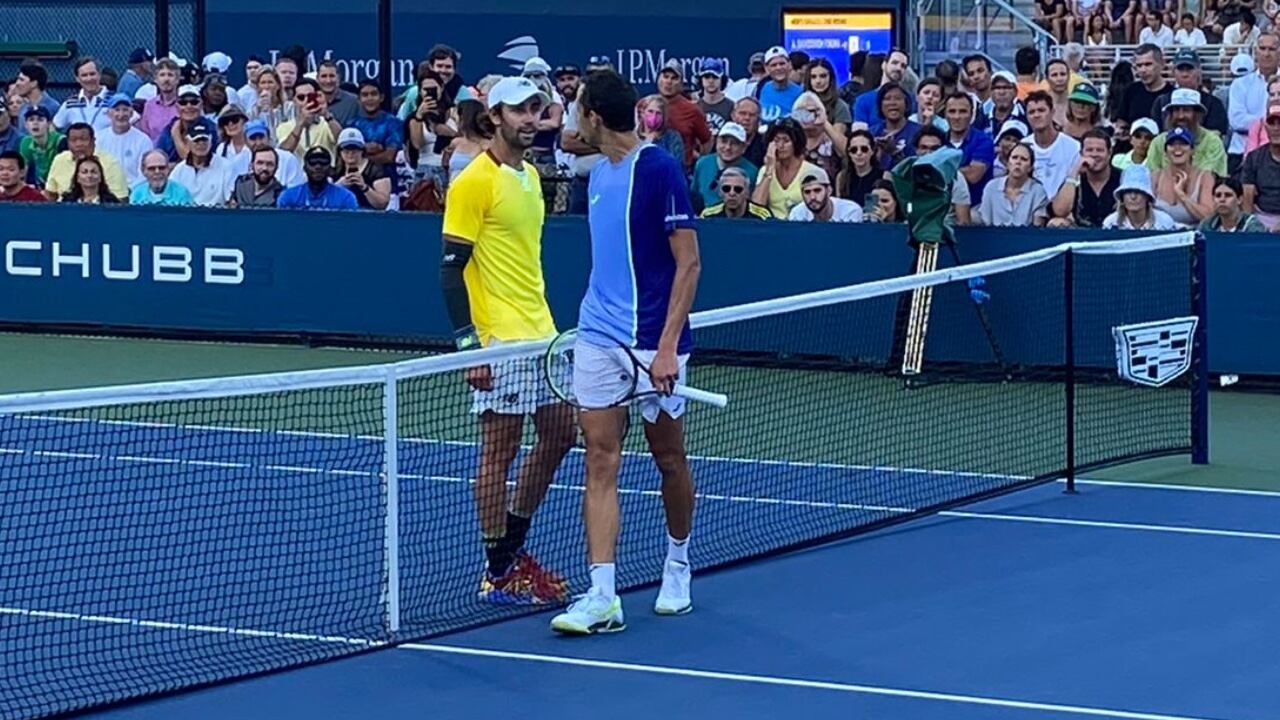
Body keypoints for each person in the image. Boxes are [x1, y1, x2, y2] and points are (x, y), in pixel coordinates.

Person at [549, 68, 701, 635]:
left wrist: (664, 349)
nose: (571, 120)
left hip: (654, 343)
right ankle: (603, 594)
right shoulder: (596, 175)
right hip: (596, 338)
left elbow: (689, 264)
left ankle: (678, 563)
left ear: (592, 115)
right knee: (599, 459)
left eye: (577, 109)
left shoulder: (658, 169)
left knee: (668, 458)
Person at [439, 76, 574, 606]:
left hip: (542, 336)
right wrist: (470, 347)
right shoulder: (474, 181)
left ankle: (508, 552)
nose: (529, 119)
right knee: (499, 451)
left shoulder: (531, 178)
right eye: (518, 110)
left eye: (535, 110)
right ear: (495, 117)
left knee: (562, 434)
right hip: (499, 341)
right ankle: (497, 569)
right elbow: (452, 270)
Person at [1146, 88, 1228, 176]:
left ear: (1197, 114)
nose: (1181, 116)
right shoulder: (1158, 143)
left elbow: (1211, 177)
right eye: (1176, 110)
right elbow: (1151, 175)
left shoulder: (1212, 142)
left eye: (1186, 110)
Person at [751, 117, 821, 219]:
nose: (780, 145)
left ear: (796, 143)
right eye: (776, 141)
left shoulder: (813, 172)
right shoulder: (764, 170)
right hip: (773, 227)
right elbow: (756, 208)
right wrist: (769, 169)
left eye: (786, 141)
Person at [1051, 128, 1120, 227]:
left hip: (1117, 233)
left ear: (1109, 153)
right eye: (1089, 150)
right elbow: (1060, 212)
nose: (1094, 154)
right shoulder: (1074, 179)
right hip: (1082, 234)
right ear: (1081, 153)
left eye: (1099, 150)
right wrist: (1075, 171)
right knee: (1056, 223)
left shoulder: (1122, 177)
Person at [44, 123, 128, 199]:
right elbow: (50, 193)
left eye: (83, 139)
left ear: (93, 141)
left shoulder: (110, 163)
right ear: (68, 143)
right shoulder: (60, 159)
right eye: (73, 140)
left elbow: (121, 200)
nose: (79, 144)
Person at [1021, 91, 1082, 198]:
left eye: (1041, 110)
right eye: (1031, 112)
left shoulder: (1073, 147)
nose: (1036, 115)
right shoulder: (1022, 147)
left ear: (1052, 112)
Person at [1151, 126, 1215, 226]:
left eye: (1183, 144)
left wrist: (1182, 195)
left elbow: (1209, 218)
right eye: (1172, 144)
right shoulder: (1156, 176)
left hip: (1192, 236)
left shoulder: (1205, 177)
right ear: (1165, 152)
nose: (1177, 148)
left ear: (1192, 151)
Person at [689, 122, 757, 212]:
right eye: (724, 141)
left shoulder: (752, 171)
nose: (728, 147)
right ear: (716, 141)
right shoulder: (702, 163)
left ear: (743, 147)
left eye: (734, 143)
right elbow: (693, 195)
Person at [977, 143, 1049, 226]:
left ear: (1030, 168)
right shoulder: (991, 187)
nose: (1018, 162)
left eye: (1024, 159)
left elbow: (1038, 227)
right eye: (1014, 158)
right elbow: (985, 222)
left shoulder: (1038, 191)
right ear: (1007, 164)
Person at [168, 125, 235, 207]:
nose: (201, 144)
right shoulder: (179, 170)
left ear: (210, 142)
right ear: (188, 142)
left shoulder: (225, 166)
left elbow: (231, 201)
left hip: (215, 216)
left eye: (204, 140)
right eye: (196, 141)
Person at [1103, 164, 1179, 228]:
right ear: (1122, 196)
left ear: (1147, 196)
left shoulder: (1164, 223)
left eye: (1138, 192)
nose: (1133, 197)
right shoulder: (1110, 224)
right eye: (1128, 191)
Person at [792, 91, 845, 181]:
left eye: (811, 111)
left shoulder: (831, 137)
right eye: (801, 111)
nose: (807, 115)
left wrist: (824, 122)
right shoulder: (792, 140)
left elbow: (848, 151)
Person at [332, 128, 391, 210]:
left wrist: (364, 187)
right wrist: (338, 186)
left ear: (362, 150)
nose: (350, 153)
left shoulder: (377, 171)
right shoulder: (334, 171)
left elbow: (382, 204)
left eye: (355, 149)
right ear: (340, 151)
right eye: (346, 149)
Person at [1242, 103, 1280, 228]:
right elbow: (1248, 196)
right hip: (1262, 218)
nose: (1276, 128)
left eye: (1279, 123)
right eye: (1272, 123)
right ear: (1266, 127)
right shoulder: (1254, 157)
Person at [788, 167, 862, 222]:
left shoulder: (850, 211)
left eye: (817, 190)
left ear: (829, 190)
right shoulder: (797, 214)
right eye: (807, 192)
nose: (812, 197)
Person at [804, 58, 852, 138]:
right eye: (813, 77)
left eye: (823, 76)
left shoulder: (840, 106)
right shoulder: (801, 104)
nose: (818, 81)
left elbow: (837, 140)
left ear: (831, 78)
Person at [699, 166, 771, 218]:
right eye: (726, 189)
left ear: (747, 192)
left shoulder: (762, 216)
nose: (732, 193)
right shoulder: (707, 216)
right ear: (720, 192)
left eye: (738, 189)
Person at [1199, 176, 1267, 231]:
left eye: (1228, 195)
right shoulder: (1206, 225)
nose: (1222, 199)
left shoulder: (1252, 226)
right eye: (1218, 195)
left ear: (1239, 199)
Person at [129, 149, 194, 206]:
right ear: (143, 171)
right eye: (151, 168)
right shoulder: (137, 194)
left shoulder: (182, 193)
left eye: (161, 168)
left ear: (168, 169)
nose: (157, 172)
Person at [758, 46, 804, 124]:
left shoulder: (800, 93)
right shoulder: (762, 88)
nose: (778, 68)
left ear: (789, 65)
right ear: (766, 69)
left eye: (782, 63)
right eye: (774, 65)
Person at [636, 94, 685, 164]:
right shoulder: (634, 137)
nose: (654, 116)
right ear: (642, 113)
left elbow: (676, 163)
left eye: (658, 113)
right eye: (650, 111)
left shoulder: (672, 138)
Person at [836, 129, 882, 202]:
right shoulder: (842, 177)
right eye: (854, 150)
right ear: (849, 153)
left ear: (872, 151)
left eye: (864, 149)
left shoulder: (883, 176)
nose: (859, 153)